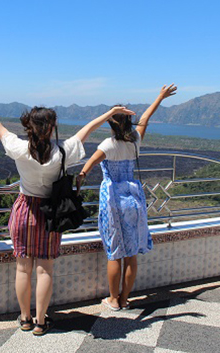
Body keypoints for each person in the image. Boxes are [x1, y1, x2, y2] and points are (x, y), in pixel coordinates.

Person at [0, 90, 135, 335]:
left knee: (22, 268)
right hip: (51, 214)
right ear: (51, 128)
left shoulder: (19, 149)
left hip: (24, 210)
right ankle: (40, 321)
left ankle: (25, 318)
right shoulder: (62, 153)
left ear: (30, 127)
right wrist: (111, 113)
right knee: (44, 269)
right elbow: (88, 129)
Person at [76, 84, 177, 310]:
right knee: (131, 254)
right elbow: (146, 118)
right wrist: (160, 96)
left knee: (115, 253)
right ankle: (124, 299)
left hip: (113, 199)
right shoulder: (135, 141)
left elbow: (89, 165)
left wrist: (79, 180)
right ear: (129, 123)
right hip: (133, 197)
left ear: (110, 124)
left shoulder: (107, 145)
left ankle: (113, 300)